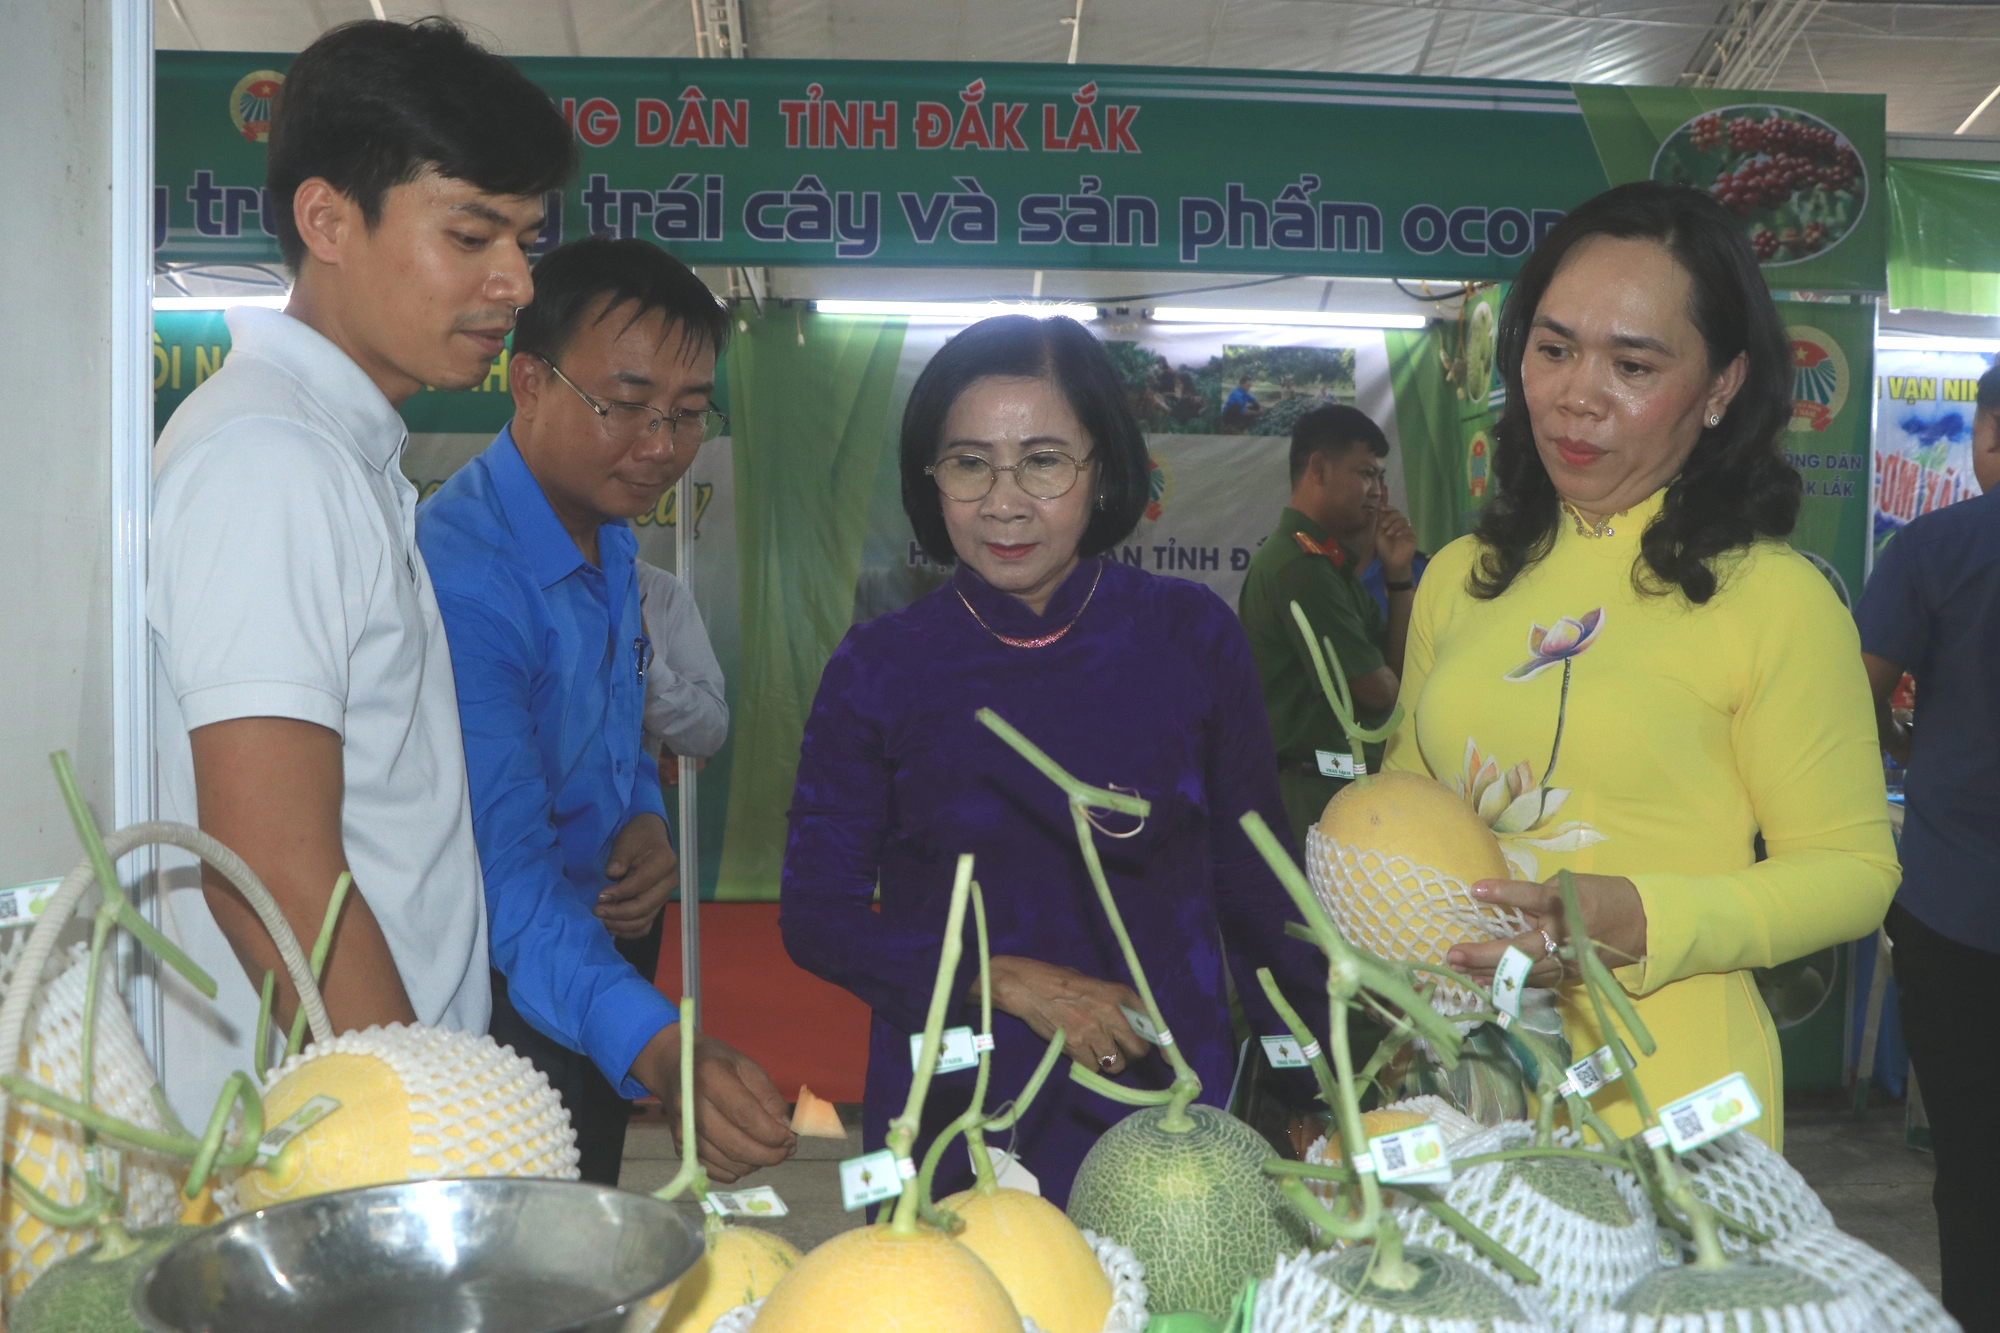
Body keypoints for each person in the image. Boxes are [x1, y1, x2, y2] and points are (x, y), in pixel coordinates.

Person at [1386, 182, 1897, 1147]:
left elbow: (1854, 871)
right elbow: (1406, 823)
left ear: (1721, 387)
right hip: (1465, 1086)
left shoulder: (1776, 599)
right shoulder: (1461, 580)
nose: (1579, 393)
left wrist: (1647, 916)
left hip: (1677, 1099)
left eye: (1632, 364)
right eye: (1553, 348)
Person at [780, 315, 1328, 1207]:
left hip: (1165, 1108)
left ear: (1103, 468)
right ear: (931, 475)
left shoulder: (1190, 636)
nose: (1004, 501)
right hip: (955, 1109)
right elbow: (817, 914)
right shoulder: (879, 666)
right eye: (967, 463)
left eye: (1042, 461)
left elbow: (1256, 886)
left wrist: (1314, 1081)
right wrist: (994, 978)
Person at [147, 18, 572, 1121]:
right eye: (472, 235)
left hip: (347, 1110)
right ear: (327, 219)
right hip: (316, 1147)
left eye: (526, 240)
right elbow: (271, 871)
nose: (516, 283)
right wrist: (424, 1146)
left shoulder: (334, 450)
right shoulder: (270, 461)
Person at [418, 237, 792, 1186]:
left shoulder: (613, 540)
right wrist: (660, 1044)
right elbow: (502, 871)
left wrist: (645, 814)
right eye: (625, 406)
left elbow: (620, 714)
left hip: (600, 941)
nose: (660, 445)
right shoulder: (466, 579)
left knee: (591, 1199)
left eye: (688, 415)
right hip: (497, 970)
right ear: (529, 381)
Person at [1852, 361, 2000, 1329]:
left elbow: (1854, 693)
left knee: (1971, 1162)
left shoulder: (1936, 545)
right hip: (1955, 902)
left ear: (1985, 438)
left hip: (1956, 904)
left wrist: (1905, 742)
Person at [1237, 405, 1419, 844]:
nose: (1378, 491)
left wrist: (1398, 576)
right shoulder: (1301, 568)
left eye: (1380, 477)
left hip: (1330, 790)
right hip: (1308, 796)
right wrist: (1404, 687)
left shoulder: (1330, 567)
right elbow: (1381, 692)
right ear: (1318, 468)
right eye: (1365, 473)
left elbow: (1395, 671)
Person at [636, 556, 729, 781]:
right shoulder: (536, 585)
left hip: (630, 808)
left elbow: (709, 732)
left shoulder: (657, 590)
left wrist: (644, 664)